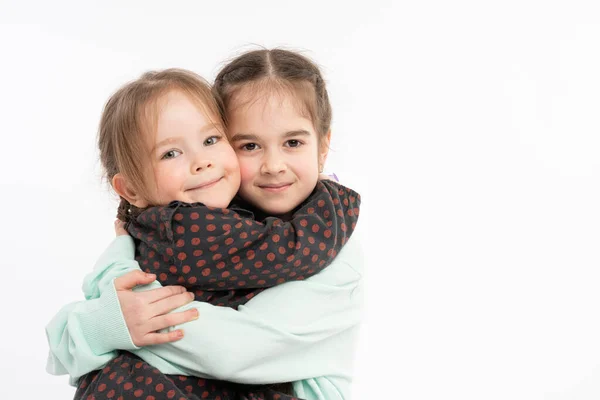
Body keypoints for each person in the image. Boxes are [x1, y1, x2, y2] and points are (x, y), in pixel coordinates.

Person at [47, 50, 364, 399]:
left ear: (323, 148)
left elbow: (241, 351)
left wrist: (116, 328)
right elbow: (64, 340)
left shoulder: (337, 249)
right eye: (249, 145)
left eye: (293, 142)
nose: (273, 164)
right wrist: (107, 322)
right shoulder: (195, 221)